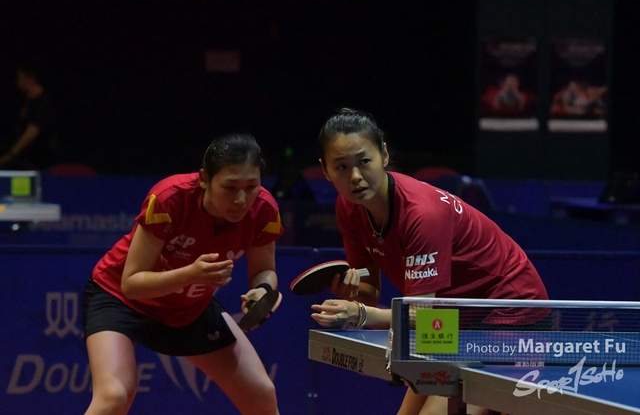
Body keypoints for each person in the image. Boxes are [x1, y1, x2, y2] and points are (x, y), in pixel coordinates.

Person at [309, 108, 549, 415]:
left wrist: (358, 314)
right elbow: (370, 292)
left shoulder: (422, 215)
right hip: (450, 321)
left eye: (364, 161)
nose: (354, 177)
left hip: (510, 313)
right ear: (325, 170)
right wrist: (351, 294)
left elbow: (419, 315)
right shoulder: (349, 208)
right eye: (341, 167)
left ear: (384, 155)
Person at [82, 133, 283, 415]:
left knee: (260, 393)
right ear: (204, 179)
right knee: (114, 396)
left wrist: (262, 291)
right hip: (120, 300)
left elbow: (264, 270)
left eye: (251, 187)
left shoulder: (263, 209)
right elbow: (131, 283)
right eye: (230, 187)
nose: (241, 199)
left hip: (190, 308)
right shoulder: (170, 198)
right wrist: (190, 274)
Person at [0, 62, 60, 170]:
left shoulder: (42, 103)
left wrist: (10, 155)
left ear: (30, 78)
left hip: (39, 163)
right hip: (25, 159)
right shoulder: (27, 101)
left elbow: (30, 133)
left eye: (20, 78)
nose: (17, 82)